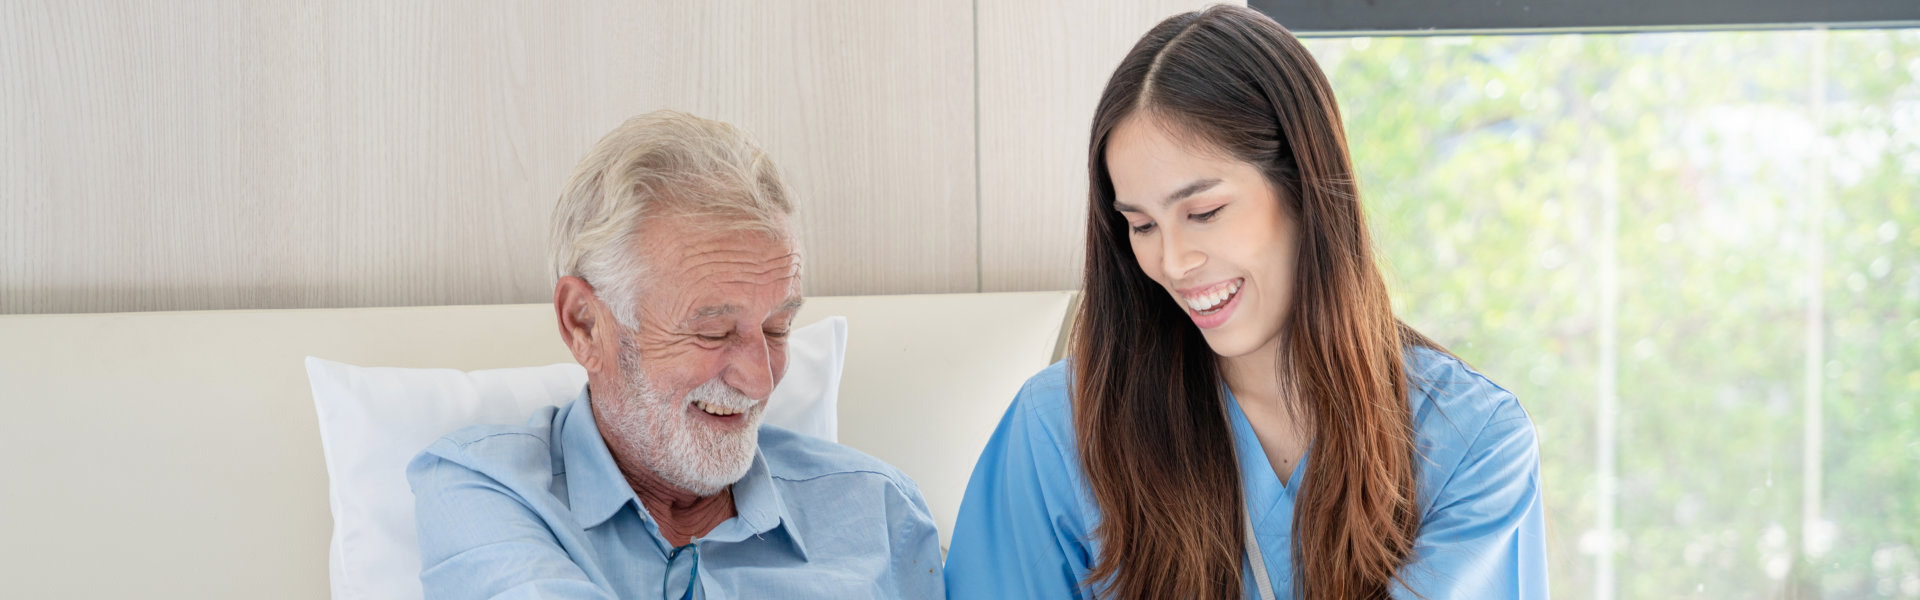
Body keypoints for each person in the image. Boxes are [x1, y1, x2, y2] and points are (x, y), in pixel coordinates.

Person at [943, 6, 1547, 599]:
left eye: (1203, 213)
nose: (1172, 262)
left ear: (1305, 187)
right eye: (1142, 226)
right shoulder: (1058, 431)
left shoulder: (1471, 442)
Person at [407, 110, 944, 599]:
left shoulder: (880, 509)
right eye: (712, 333)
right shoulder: (482, 489)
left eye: (778, 328)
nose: (759, 381)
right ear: (585, 325)